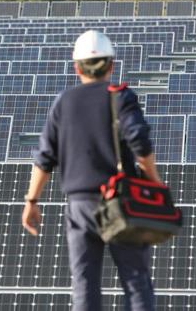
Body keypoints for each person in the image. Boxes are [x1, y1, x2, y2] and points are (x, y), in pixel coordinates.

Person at [22, 30, 161, 311]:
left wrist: (32, 201)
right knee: (135, 281)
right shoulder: (120, 97)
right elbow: (140, 143)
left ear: (77, 68)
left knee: (84, 284)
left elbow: (45, 157)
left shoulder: (64, 102)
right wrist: (154, 181)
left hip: (80, 206)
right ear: (111, 65)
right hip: (122, 202)